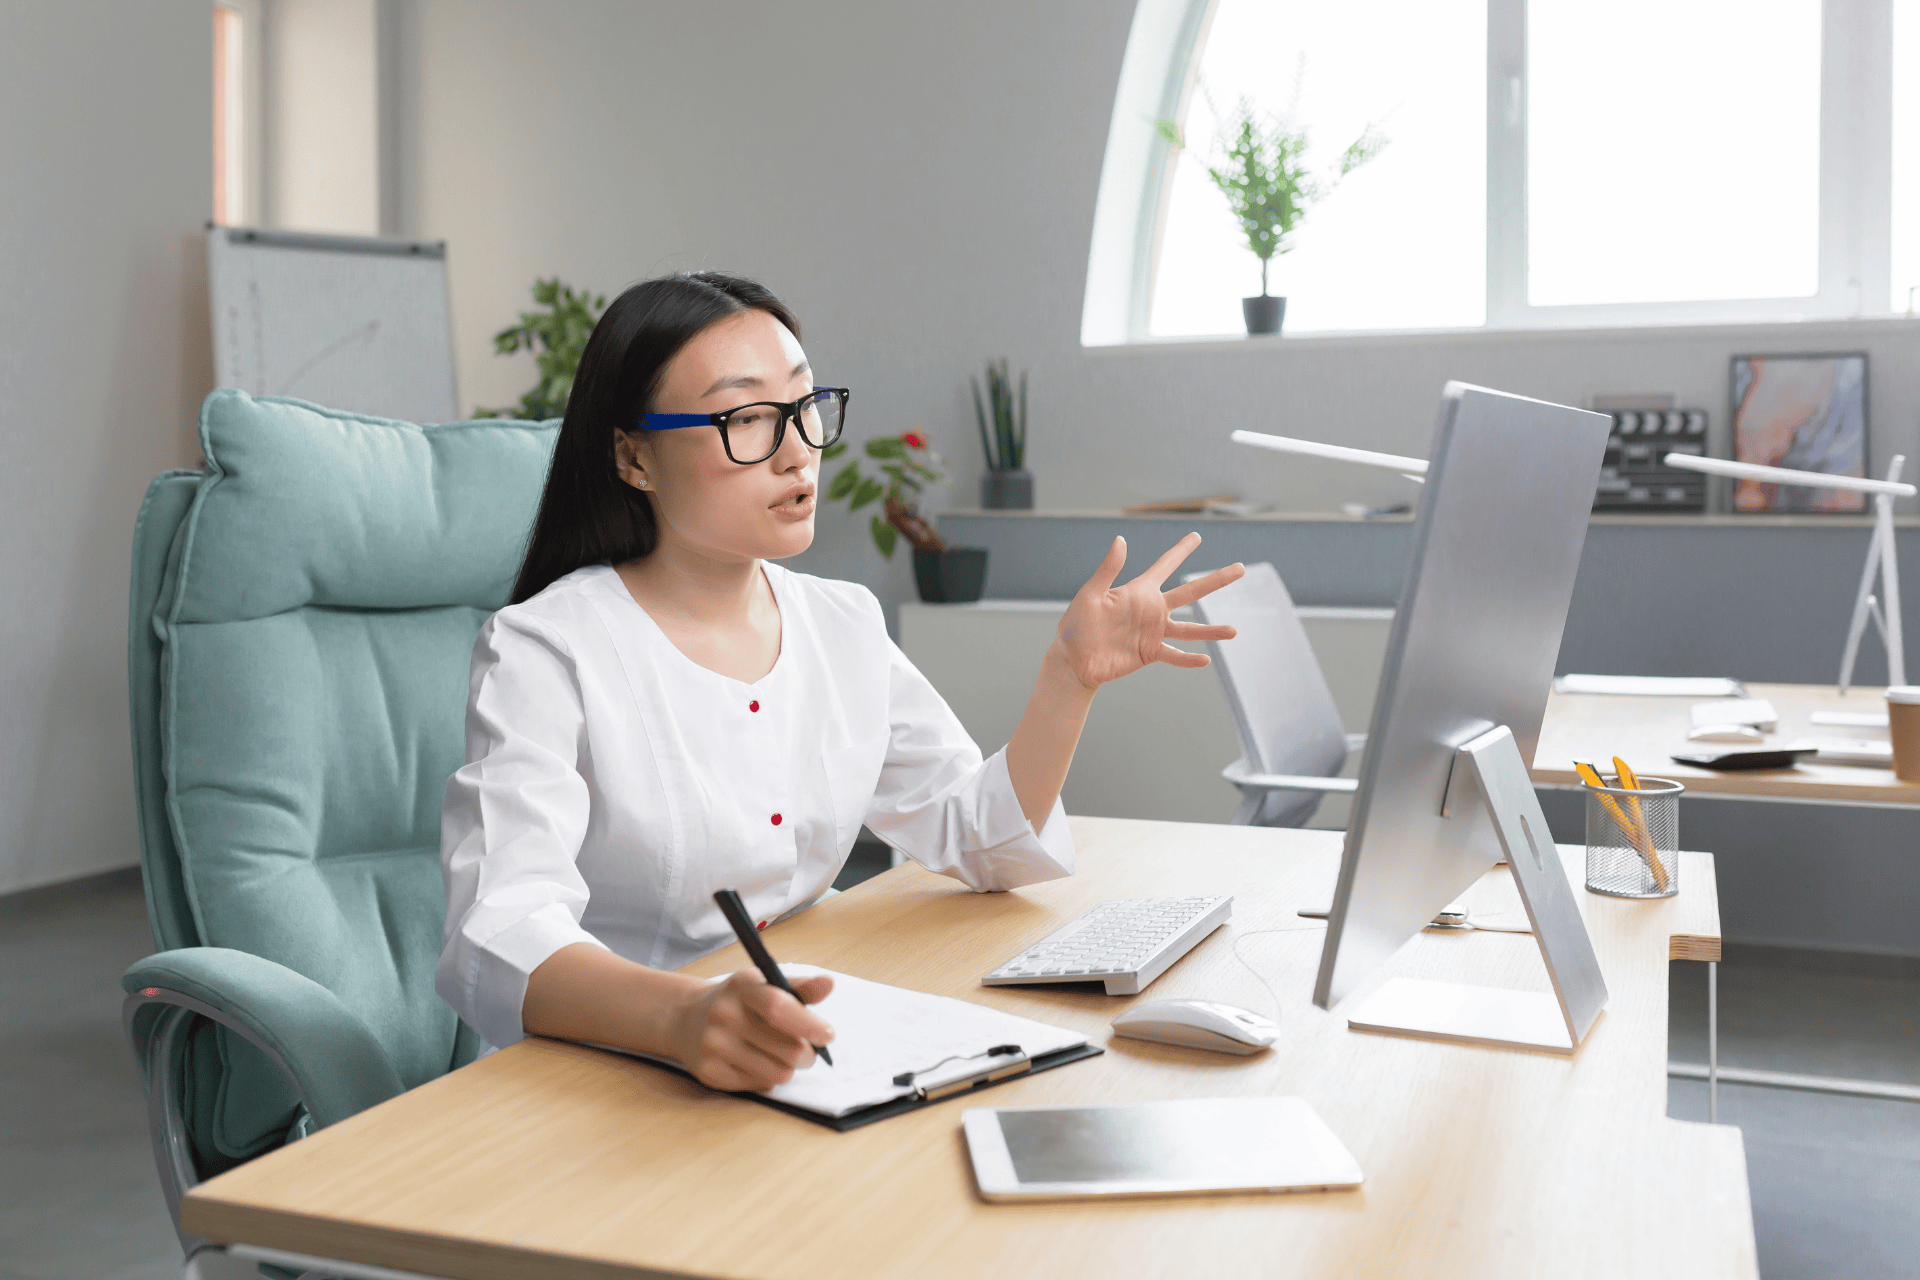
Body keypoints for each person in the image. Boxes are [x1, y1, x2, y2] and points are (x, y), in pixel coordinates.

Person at [435, 271, 1244, 1093]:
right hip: (605, 1077)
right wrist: (682, 1018)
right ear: (633, 456)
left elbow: (982, 839)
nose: (796, 450)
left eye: (803, 407)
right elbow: (497, 930)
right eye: (745, 418)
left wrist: (1068, 681)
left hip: (799, 1052)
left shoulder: (842, 623)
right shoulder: (546, 649)